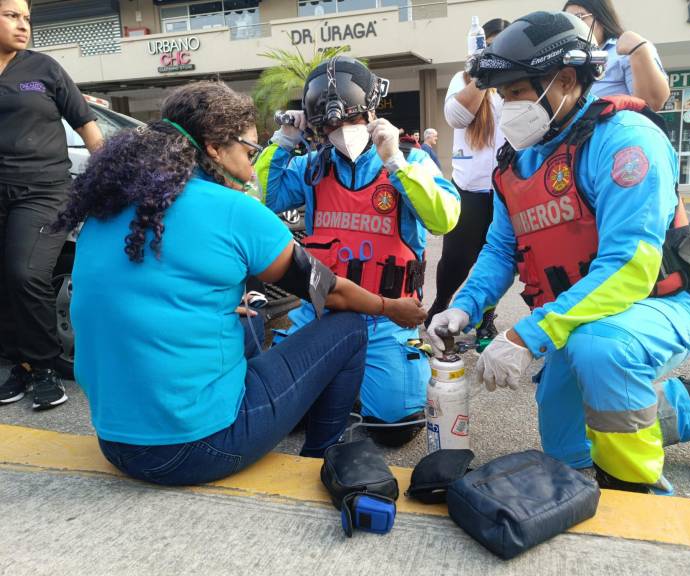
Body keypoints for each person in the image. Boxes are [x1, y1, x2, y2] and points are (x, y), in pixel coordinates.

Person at [428, 11, 690, 494]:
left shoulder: (626, 142)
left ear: (566, 80)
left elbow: (629, 270)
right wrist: (463, 306)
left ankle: (636, 493)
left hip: (654, 303)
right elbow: (499, 250)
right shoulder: (519, 162)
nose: (506, 107)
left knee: (602, 351)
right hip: (577, 318)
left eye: (515, 92)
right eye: (501, 95)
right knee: (567, 450)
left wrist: (529, 334)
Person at [55, 81, 426, 486]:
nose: (252, 170)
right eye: (249, 151)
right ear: (215, 147)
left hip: (116, 441)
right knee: (348, 325)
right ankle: (322, 456)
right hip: (198, 448)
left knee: (249, 313)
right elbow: (330, 290)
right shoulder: (232, 209)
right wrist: (390, 308)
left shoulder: (106, 208)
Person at [255, 56, 459, 446]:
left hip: (387, 316)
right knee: (278, 408)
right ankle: (339, 384)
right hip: (321, 310)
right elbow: (264, 197)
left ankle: (354, 383)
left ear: (370, 113)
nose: (342, 130)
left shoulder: (410, 161)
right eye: (331, 124)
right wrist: (282, 143)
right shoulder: (312, 167)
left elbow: (444, 219)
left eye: (351, 119)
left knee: (395, 427)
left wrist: (395, 163)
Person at [0, 0, 103, 410]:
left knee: (25, 274)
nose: (23, 25)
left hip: (43, 190)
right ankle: (21, 366)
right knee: (5, 283)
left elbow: (88, 126)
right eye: (12, 15)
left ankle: (44, 367)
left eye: (27, 17)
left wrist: (117, 177)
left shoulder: (43, 69)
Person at [426, 18, 510, 346]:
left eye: (503, 46)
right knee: (457, 258)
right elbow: (456, 117)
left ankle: (487, 319)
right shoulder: (464, 80)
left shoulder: (517, 82)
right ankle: (440, 305)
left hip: (506, 189)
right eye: (490, 45)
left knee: (499, 256)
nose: (496, 52)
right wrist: (482, 78)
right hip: (469, 187)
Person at [564, 0, 670, 111]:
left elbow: (652, 103)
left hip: (616, 126)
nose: (574, 26)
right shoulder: (568, 58)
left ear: (600, 17)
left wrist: (639, 50)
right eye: (568, 21)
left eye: (579, 17)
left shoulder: (626, 51)